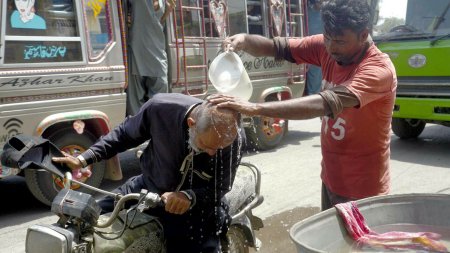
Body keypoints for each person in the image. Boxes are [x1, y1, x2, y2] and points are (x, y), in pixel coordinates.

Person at [210, 0, 397, 211]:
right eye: (327, 37)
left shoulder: (378, 70)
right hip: (331, 178)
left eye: (339, 41)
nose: (331, 47)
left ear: (363, 35)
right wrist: (244, 40)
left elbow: (325, 102)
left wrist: (256, 108)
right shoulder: (326, 46)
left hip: (364, 189)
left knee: (358, 244)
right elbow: (277, 47)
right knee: (330, 243)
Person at [53, 93, 245, 253]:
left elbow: (221, 186)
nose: (214, 153)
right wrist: (83, 159)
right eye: (207, 145)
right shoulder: (161, 108)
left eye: (220, 148)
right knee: (79, 220)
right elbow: (123, 135)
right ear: (191, 123)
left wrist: (189, 196)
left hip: (197, 207)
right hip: (148, 187)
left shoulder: (232, 138)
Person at [124, 0, 175, 116]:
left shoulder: (164, 2)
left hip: (157, 53)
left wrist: (167, 11)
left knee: (159, 102)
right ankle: (139, 132)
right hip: (137, 53)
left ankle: (154, 130)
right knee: (136, 106)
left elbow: (158, 22)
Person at [305, 0, 323, 95]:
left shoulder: (325, 14)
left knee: (315, 73)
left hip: (316, 50)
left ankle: (312, 97)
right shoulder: (307, 11)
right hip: (305, 46)